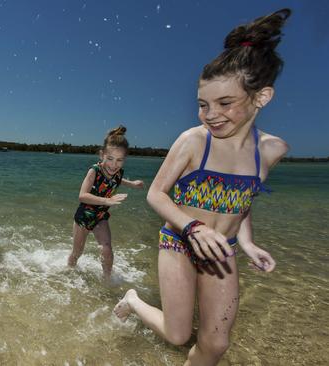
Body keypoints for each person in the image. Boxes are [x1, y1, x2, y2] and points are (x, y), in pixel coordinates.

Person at [114, 9, 291, 365]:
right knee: (179, 334)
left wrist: (247, 242)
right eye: (202, 104)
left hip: (222, 251)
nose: (210, 114)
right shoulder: (194, 141)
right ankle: (133, 300)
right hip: (178, 242)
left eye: (225, 103)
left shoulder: (271, 150)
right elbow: (156, 194)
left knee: (216, 344)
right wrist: (192, 227)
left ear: (261, 97)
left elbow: (241, 204)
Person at [67, 125, 144, 281]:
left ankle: (107, 280)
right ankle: (68, 273)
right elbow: (82, 196)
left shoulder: (117, 172)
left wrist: (132, 184)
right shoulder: (94, 171)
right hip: (84, 217)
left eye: (119, 160)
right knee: (77, 252)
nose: (114, 165)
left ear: (124, 159)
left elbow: (117, 180)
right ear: (102, 155)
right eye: (110, 159)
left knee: (106, 248)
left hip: (101, 216)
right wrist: (107, 200)